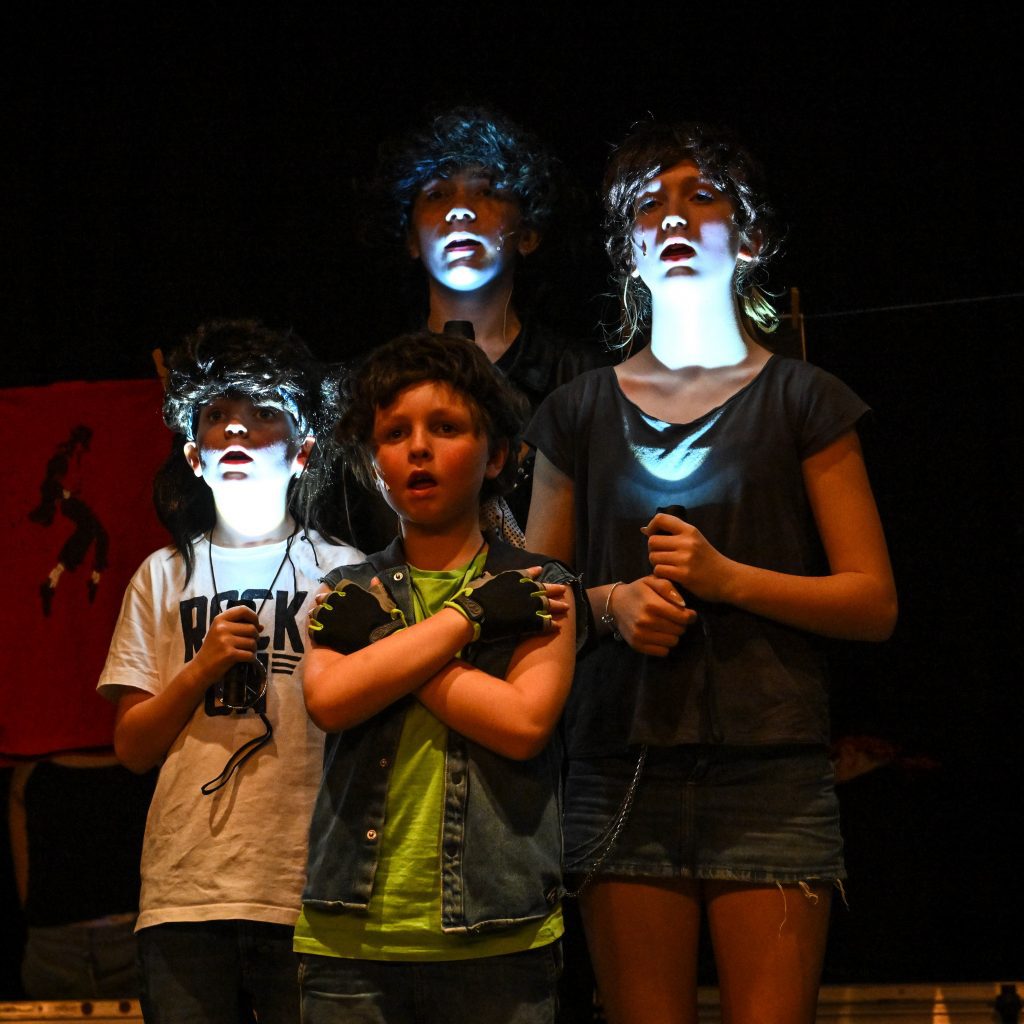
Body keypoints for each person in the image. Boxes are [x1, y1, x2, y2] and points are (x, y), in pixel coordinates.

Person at [525, 121, 898, 1024]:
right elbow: (531, 598)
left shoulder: (804, 398)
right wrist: (609, 605)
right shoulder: (576, 411)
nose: (675, 217)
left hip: (769, 770)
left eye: (703, 197)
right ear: (628, 251)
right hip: (621, 764)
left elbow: (872, 602)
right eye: (649, 204)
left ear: (753, 237)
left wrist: (729, 580)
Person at [293, 331, 581, 1023]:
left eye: (445, 428)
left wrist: (386, 647)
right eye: (395, 433)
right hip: (350, 942)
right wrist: (469, 621)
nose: (418, 447)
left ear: (497, 456)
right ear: (373, 462)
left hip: (498, 942)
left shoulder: (541, 587)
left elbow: (520, 725)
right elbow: (330, 700)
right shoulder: (345, 587)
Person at [96, 319, 361, 1023]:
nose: (237, 432)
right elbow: (132, 745)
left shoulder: (345, 573)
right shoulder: (162, 576)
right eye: (217, 417)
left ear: (305, 450)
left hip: (309, 885)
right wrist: (200, 667)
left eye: (262, 414)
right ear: (193, 453)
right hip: (187, 892)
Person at [350, 106, 611, 550]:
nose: (460, 212)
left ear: (528, 233)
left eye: (487, 192)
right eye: (436, 195)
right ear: (411, 238)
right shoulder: (362, 387)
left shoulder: (584, 382)